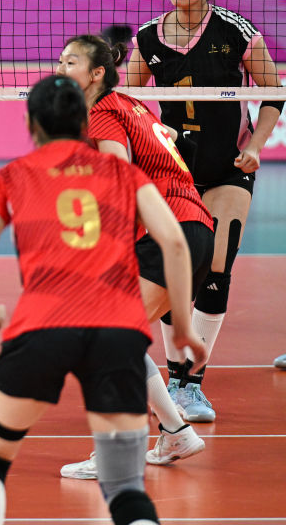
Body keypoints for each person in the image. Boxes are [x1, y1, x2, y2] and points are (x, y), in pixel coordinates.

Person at [0, 74, 207, 525]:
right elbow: (174, 243)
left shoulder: (12, 175)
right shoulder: (125, 173)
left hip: (43, 326)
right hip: (117, 331)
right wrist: (184, 329)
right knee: (125, 489)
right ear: (84, 122)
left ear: (31, 124)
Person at [126, 0, 284, 421]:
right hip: (174, 171)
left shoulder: (235, 31)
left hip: (228, 167)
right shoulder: (149, 37)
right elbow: (127, 101)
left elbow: (273, 91)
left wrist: (256, 146)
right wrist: (147, 139)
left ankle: (190, 385)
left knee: (217, 266)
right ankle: (175, 374)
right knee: (175, 270)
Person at [55, 34, 214, 479]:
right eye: (60, 61)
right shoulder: (131, 105)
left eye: (70, 63)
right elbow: (169, 146)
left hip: (169, 228)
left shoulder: (101, 112)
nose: (60, 69)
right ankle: (175, 431)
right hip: (195, 227)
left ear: (97, 73)